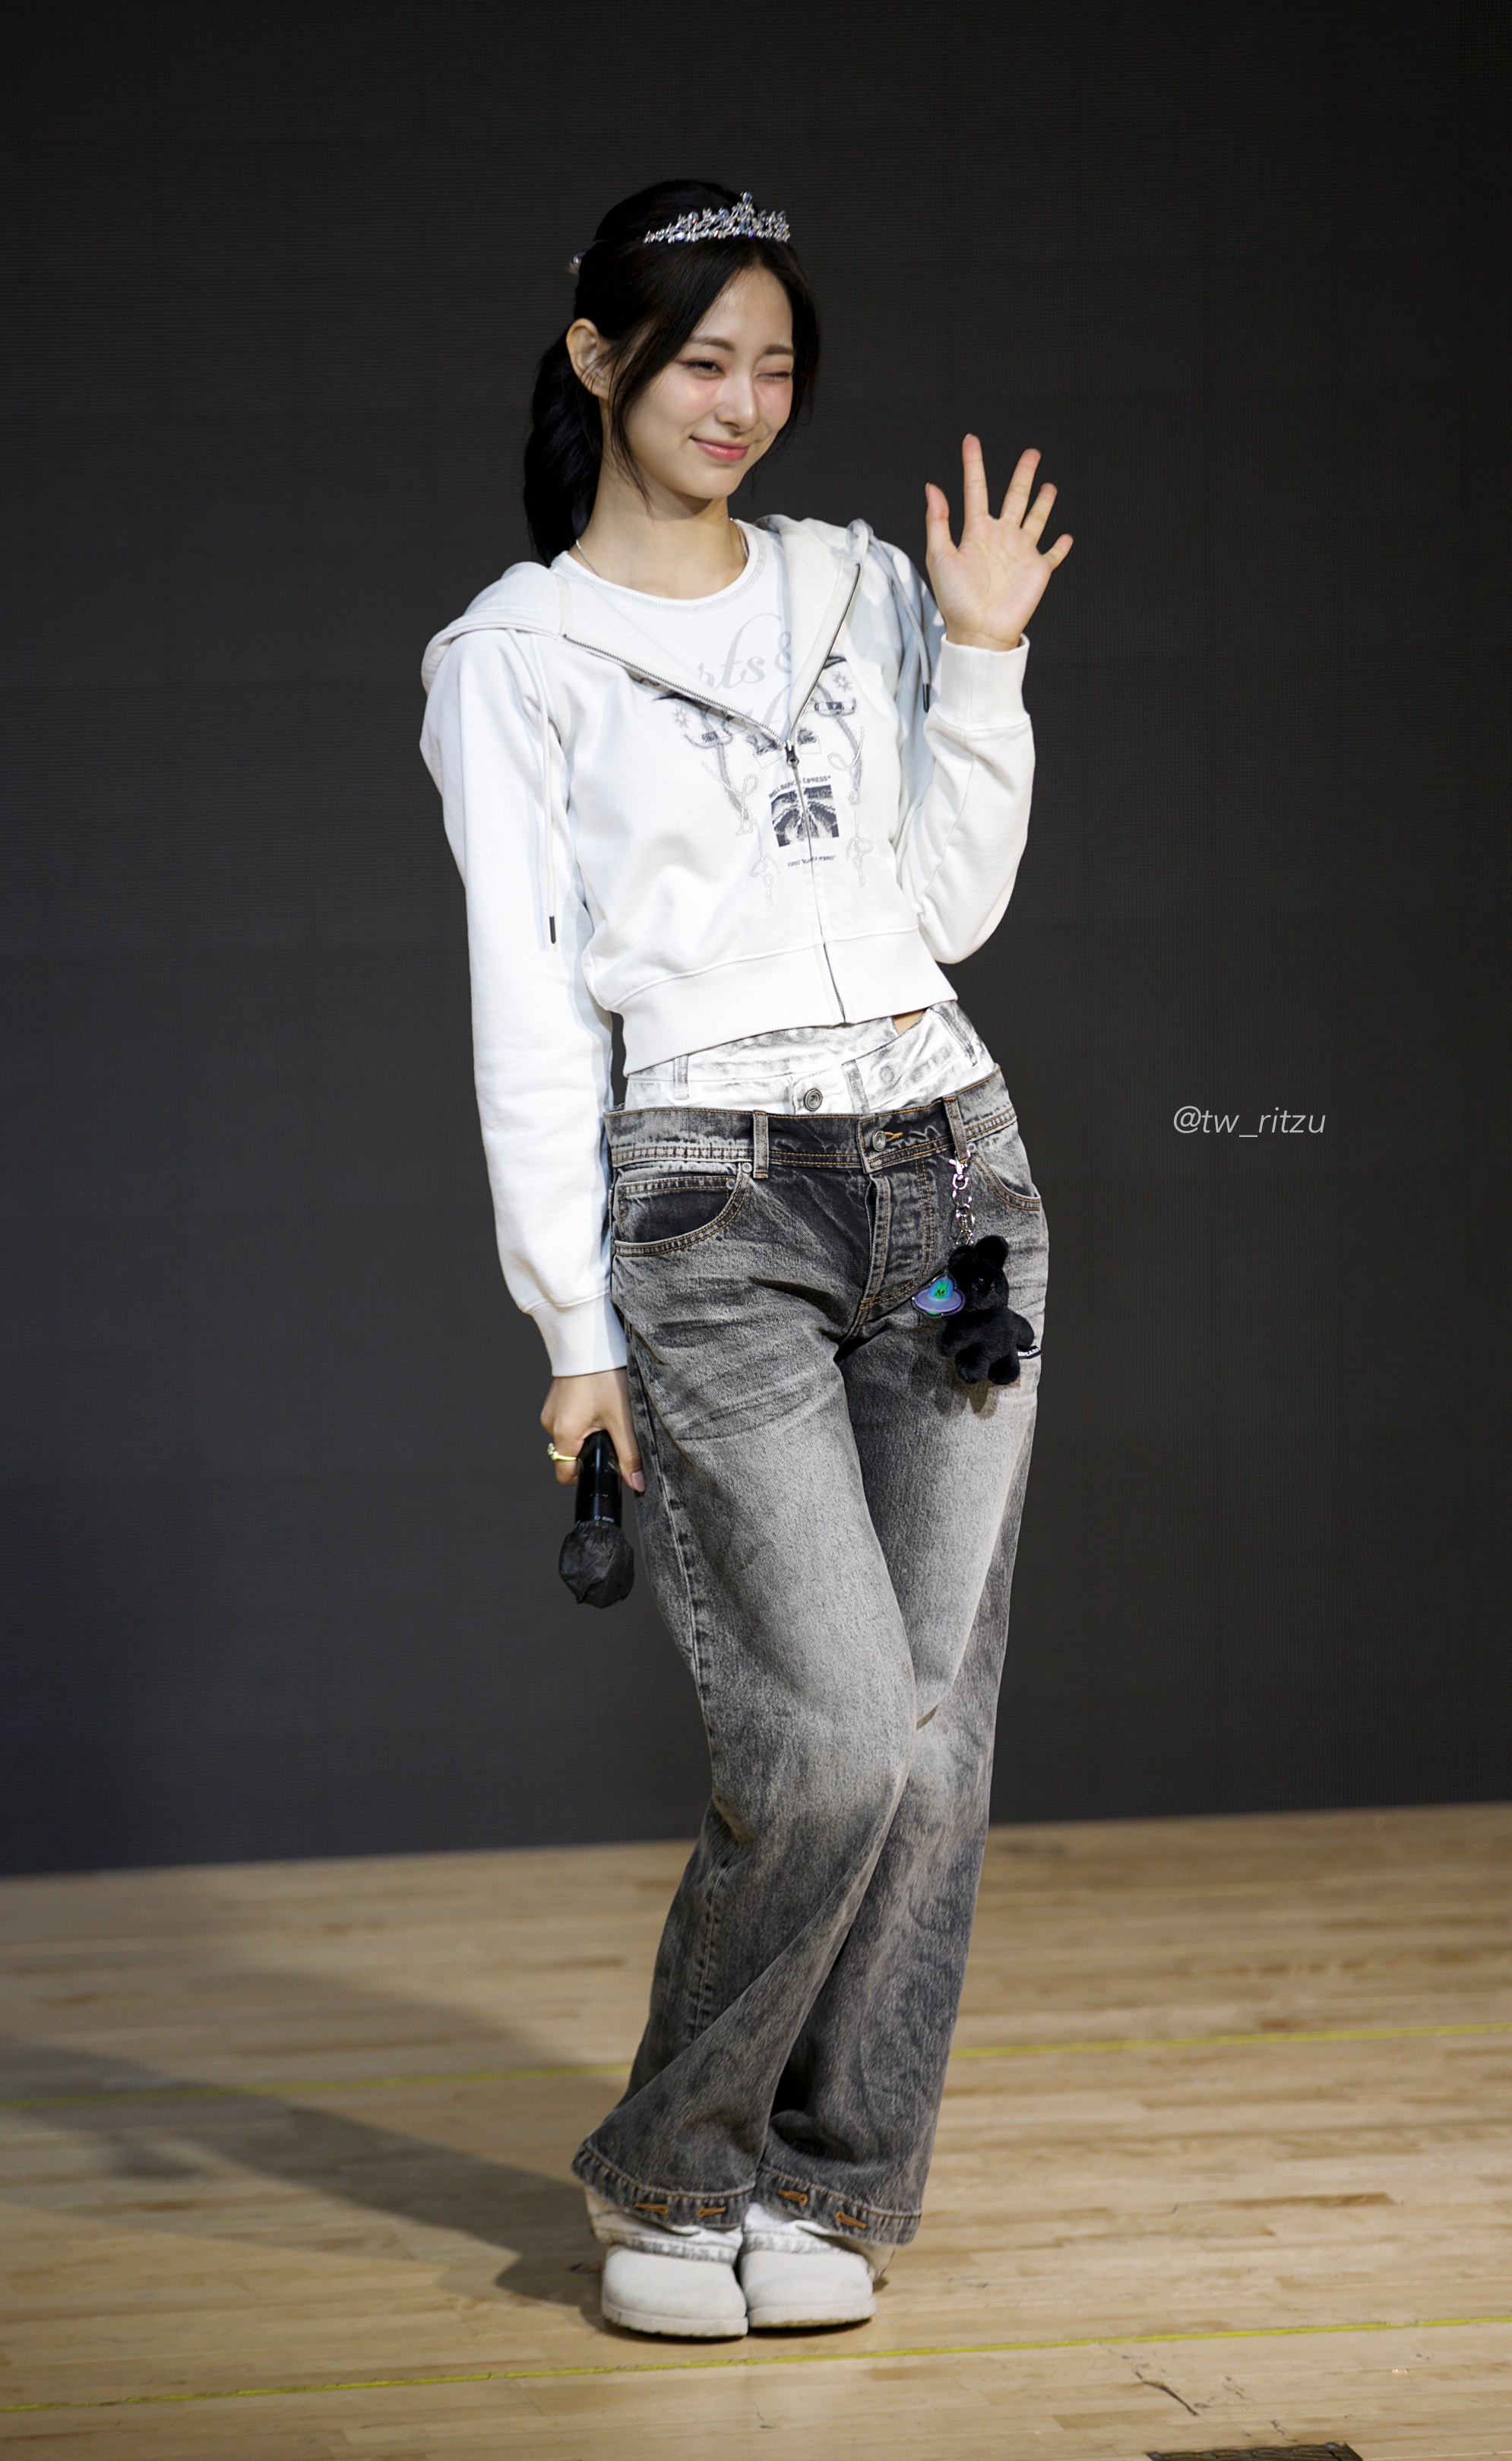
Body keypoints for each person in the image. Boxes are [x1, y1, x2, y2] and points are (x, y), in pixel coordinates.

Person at [420, 180, 1071, 2341]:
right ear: (598, 356)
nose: (743, 403)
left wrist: (982, 657)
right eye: (703, 357)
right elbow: (529, 1010)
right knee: (834, 1740)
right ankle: (676, 2174)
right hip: (715, 1204)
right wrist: (570, 1326)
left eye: (777, 366)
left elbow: (950, 906)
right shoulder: (513, 660)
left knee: (935, 1747)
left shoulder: (854, 584)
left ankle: (834, 2184)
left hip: (955, 1183)